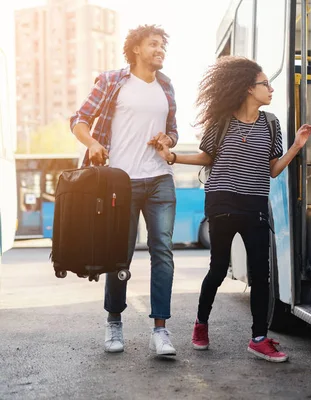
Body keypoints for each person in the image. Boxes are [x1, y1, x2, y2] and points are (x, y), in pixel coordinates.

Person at [150, 56, 311, 362]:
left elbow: (273, 170)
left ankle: (259, 338)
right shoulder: (222, 122)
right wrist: (171, 157)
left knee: (261, 274)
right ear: (248, 88)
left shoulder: (271, 123)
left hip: (255, 203)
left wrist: (296, 146)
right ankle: (201, 324)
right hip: (222, 200)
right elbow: (205, 158)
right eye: (265, 84)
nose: (271, 88)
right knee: (217, 268)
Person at [70, 24, 179, 356]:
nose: (160, 49)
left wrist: (167, 141)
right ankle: (114, 321)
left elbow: (173, 129)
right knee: (120, 255)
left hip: (160, 179)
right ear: (136, 49)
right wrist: (91, 144)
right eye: (153, 44)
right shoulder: (112, 81)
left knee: (163, 254)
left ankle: (160, 330)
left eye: (163, 45)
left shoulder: (166, 85)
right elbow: (79, 118)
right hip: (121, 181)